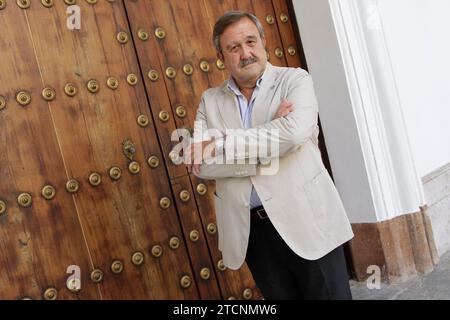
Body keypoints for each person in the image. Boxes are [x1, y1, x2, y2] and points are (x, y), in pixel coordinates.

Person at [185, 11, 354, 300]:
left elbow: (294, 133)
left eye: (250, 41)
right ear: (221, 56)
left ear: (263, 41)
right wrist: (270, 139)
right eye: (233, 48)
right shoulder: (210, 100)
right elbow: (201, 165)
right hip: (253, 233)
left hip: (308, 220)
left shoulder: (294, 80)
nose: (245, 53)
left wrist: (222, 141)